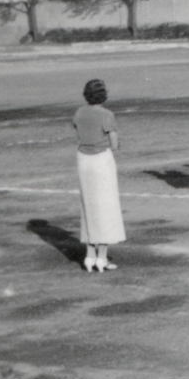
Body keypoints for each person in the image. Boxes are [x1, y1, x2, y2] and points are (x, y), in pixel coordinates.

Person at [72, 78, 125, 272]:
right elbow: (114, 144)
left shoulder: (79, 112)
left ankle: (90, 255)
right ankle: (101, 258)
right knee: (106, 208)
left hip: (83, 160)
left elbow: (79, 132)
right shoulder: (106, 114)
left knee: (89, 207)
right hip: (101, 160)